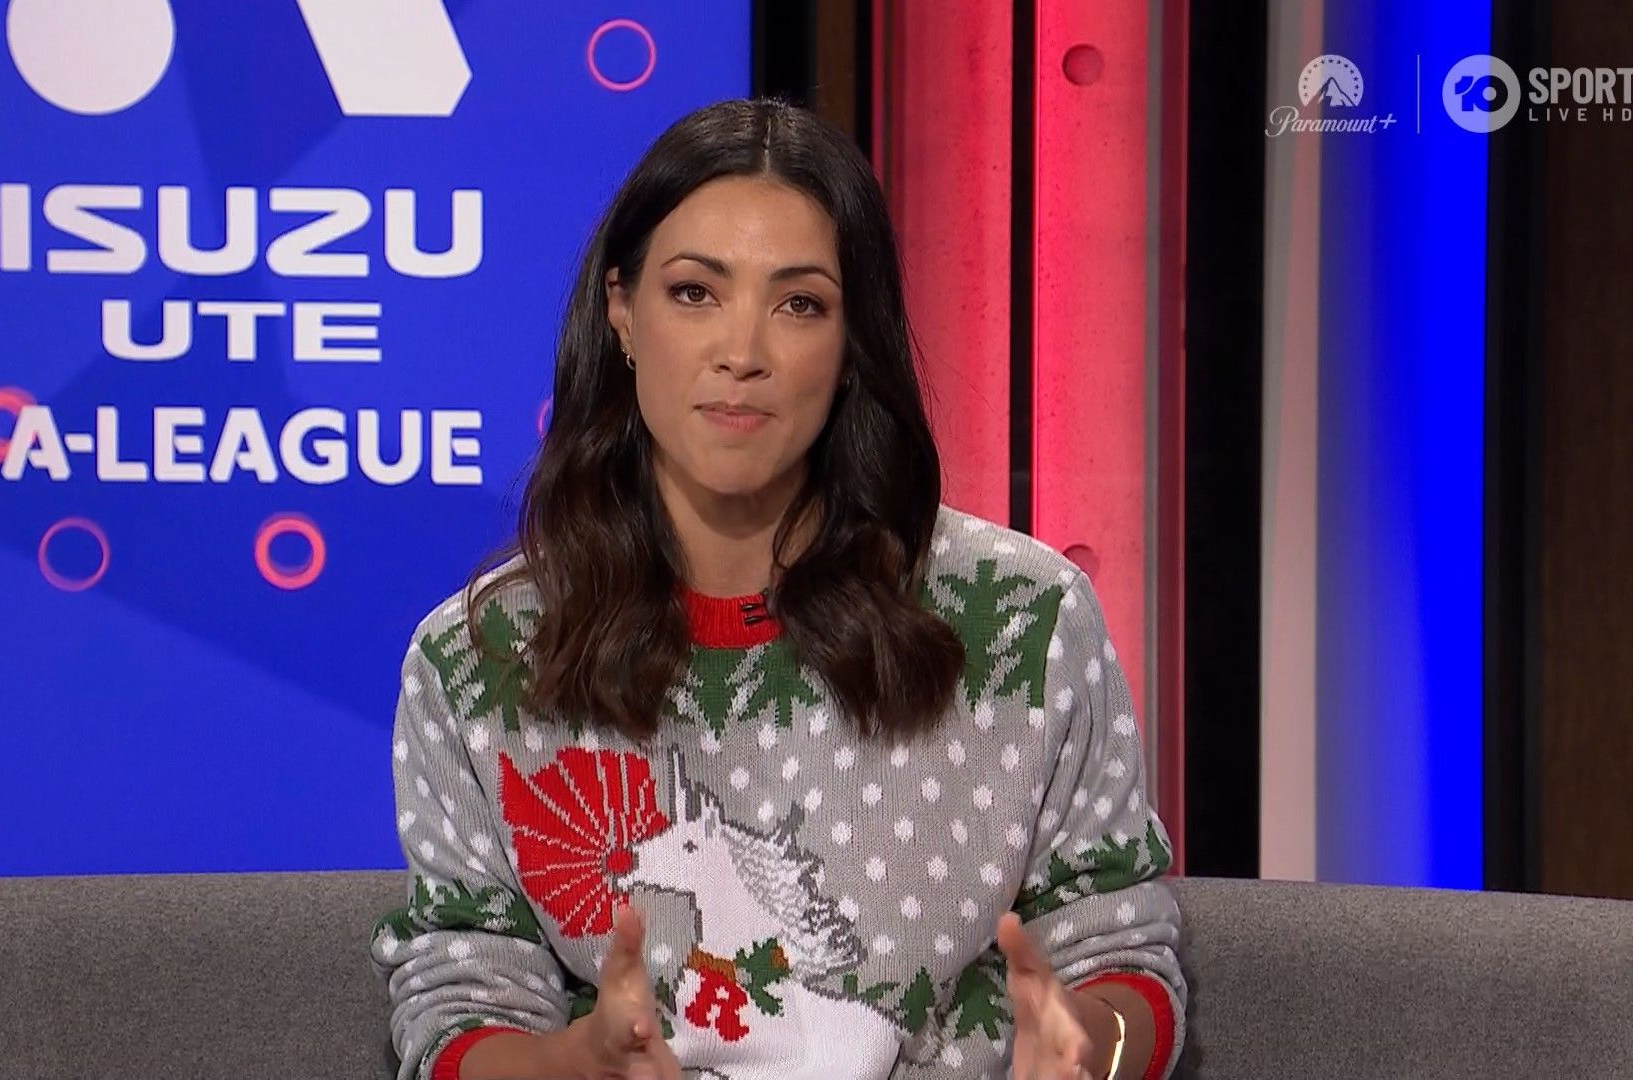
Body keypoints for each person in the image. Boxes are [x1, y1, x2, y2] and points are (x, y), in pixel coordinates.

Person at [371, 97, 1186, 1080]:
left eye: (799, 304)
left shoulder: (1026, 621)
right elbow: (461, 1003)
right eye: (694, 293)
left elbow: (1121, 957)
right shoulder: (480, 660)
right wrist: (569, 1066)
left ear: (850, 345)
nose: (742, 353)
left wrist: (1088, 1049)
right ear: (622, 312)